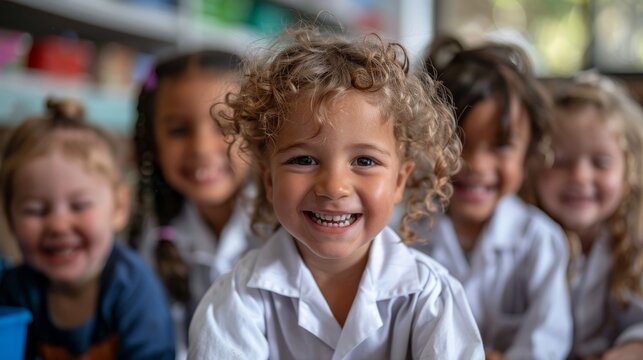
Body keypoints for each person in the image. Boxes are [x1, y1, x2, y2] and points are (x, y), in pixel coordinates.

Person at [188, 27, 485, 359]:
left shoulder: (431, 298)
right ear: (268, 181)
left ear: (400, 182)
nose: (333, 187)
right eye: (304, 160)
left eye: (364, 161)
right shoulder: (236, 300)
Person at [413, 36, 572, 359]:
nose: (476, 164)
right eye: (455, 141)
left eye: (500, 146)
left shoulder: (540, 241)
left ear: (529, 152)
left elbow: (546, 344)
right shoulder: (405, 233)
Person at [0, 99, 175, 359]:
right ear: (11, 218)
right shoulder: (15, 290)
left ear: (119, 208)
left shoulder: (133, 288)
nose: (58, 225)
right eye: (35, 210)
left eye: (79, 206)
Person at [128, 49, 257, 358]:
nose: (201, 147)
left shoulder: (288, 223)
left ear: (258, 131)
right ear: (153, 145)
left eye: (225, 126)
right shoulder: (155, 237)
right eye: (178, 130)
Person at [523, 72, 643, 359]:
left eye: (600, 163)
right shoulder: (523, 239)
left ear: (630, 171)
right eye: (560, 161)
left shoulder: (636, 242)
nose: (579, 176)